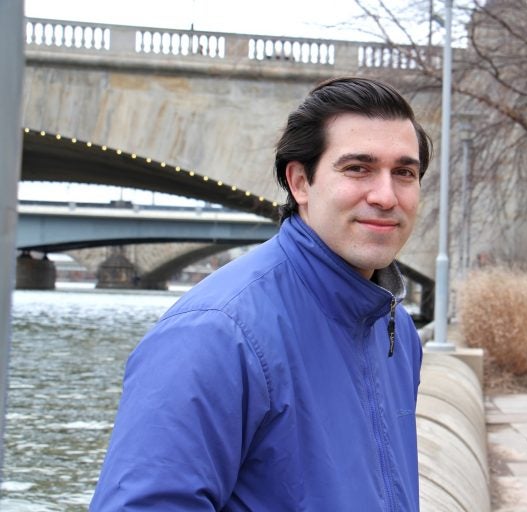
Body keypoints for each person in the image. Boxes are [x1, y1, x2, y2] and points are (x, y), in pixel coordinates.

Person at [90, 76, 432, 511]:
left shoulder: (396, 329)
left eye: (404, 172)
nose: (386, 195)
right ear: (300, 182)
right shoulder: (216, 332)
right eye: (358, 168)